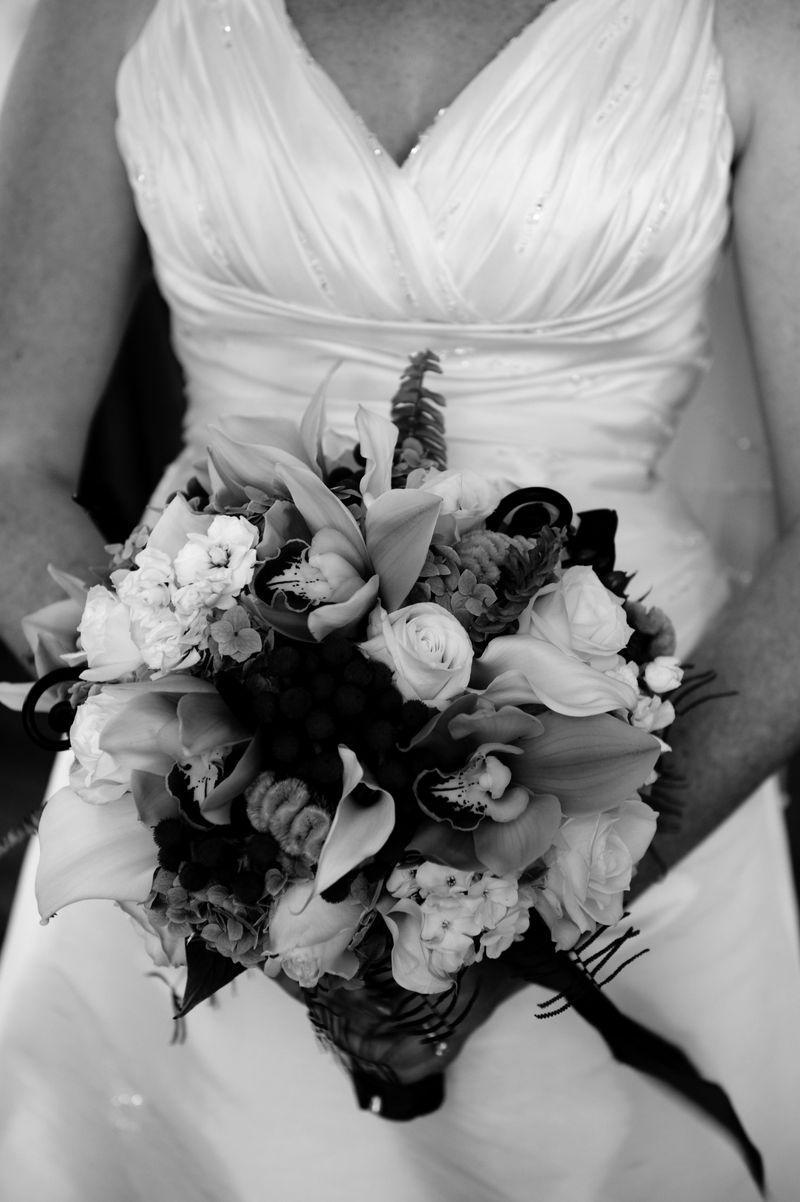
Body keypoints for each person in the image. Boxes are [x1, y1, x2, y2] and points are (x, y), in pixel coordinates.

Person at [0, 0, 799, 1198]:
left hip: (657, 775)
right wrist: (195, 789)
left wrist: (544, 893)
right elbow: (9, 467)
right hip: (189, 774)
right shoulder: (105, 14)